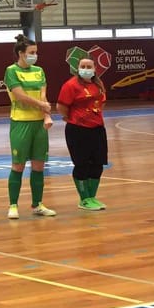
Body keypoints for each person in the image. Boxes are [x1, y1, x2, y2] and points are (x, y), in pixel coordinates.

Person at [6, 33, 57, 220]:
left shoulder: (39, 71)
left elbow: (43, 96)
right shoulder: (11, 71)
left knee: (39, 165)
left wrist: (46, 115)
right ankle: (13, 205)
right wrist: (41, 106)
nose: (35, 55)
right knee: (18, 165)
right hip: (20, 123)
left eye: (36, 52)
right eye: (31, 52)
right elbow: (19, 95)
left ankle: (37, 204)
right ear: (21, 53)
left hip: (38, 125)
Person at [57, 56, 109, 211]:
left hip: (97, 129)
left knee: (98, 163)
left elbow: (102, 103)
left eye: (89, 66)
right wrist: (72, 118)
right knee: (82, 164)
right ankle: (84, 199)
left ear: (94, 69)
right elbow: (61, 106)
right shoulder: (70, 85)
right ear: (77, 68)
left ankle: (92, 197)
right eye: (83, 66)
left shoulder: (98, 84)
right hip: (78, 130)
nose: (86, 69)